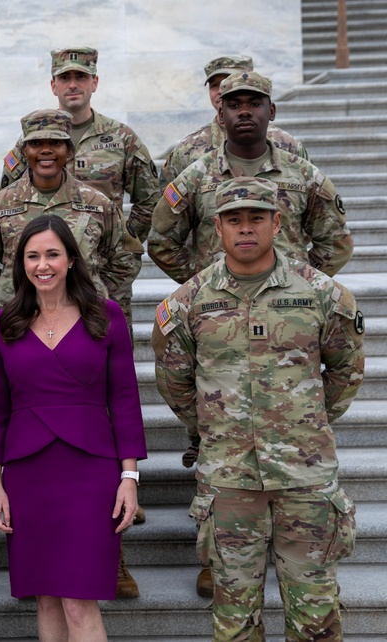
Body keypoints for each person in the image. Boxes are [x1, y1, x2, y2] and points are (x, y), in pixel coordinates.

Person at [152, 177, 364, 641]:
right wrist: (218, 425)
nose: (245, 228)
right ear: (218, 226)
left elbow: (346, 370)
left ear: (278, 223)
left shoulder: (322, 294)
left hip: (305, 479)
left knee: (316, 619)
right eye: (234, 219)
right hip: (229, 481)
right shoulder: (188, 302)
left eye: (256, 218)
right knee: (234, 622)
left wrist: (304, 422)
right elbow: (174, 381)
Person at [0, 214, 146, 640]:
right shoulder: (4, 323)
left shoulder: (105, 315)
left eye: (52, 254)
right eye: (32, 256)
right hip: (28, 474)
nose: (43, 265)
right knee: (46, 596)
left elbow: (125, 400)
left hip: (91, 472)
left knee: (78, 598)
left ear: (71, 259)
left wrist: (129, 477)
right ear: (21, 263)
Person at [148, 71, 352, 284]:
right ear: (220, 115)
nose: (244, 112)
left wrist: (302, 280)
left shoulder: (304, 175)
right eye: (234, 106)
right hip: (220, 307)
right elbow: (161, 241)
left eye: (254, 104)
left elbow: (337, 242)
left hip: (287, 310)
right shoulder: (196, 177)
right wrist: (202, 280)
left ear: (271, 111)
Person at [0, 108, 140, 316]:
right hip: (22, 320)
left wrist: (93, 296)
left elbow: (125, 259)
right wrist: (8, 296)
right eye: (36, 144)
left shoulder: (98, 204)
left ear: (69, 151)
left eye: (56, 143)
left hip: (82, 320)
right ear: (24, 151)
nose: (46, 150)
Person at [0, 47, 158, 253]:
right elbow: (5, 200)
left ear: (95, 83)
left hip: (102, 267)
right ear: (53, 86)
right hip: (44, 264)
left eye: (81, 77)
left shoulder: (122, 138)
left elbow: (149, 200)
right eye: (64, 78)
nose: (73, 85)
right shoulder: (32, 141)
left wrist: (120, 243)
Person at [160, 54, 308, 188]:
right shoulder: (188, 149)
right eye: (214, 85)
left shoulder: (287, 144)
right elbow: (166, 205)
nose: (220, 91)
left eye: (229, 82)